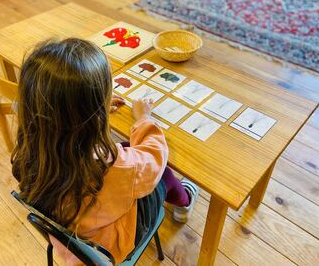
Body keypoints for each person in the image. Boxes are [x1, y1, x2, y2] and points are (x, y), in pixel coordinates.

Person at [11, 38, 199, 265]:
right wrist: (144, 119)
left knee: (129, 150)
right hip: (111, 245)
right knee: (163, 174)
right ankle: (184, 200)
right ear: (90, 114)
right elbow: (154, 157)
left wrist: (91, 111)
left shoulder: (31, 152)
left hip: (71, 239)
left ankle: (182, 199)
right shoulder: (114, 167)